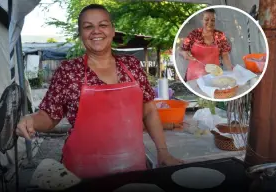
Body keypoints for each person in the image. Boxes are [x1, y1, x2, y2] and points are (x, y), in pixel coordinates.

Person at [16, 4, 183, 179]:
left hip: (132, 166)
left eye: (103, 25)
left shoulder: (132, 66)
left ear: (112, 30)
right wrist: (30, 120)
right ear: (81, 33)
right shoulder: (68, 71)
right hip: (82, 172)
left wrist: (163, 152)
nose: (96, 31)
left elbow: (148, 111)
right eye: (88, 26)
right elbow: (49, 117)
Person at [179, 9, 233, 81]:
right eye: (206, 19)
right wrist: (183, 53)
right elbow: (181, 50)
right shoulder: (194, 34)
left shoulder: (220, 35)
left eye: (213, 20)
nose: (210, 22)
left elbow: (225, 54)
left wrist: (231, 70)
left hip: (214, 75)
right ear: (202, 20)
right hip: (194, 76)